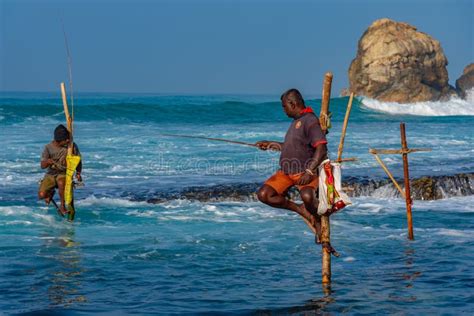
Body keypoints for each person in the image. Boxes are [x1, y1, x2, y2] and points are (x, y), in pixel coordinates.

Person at [256, 89, 328, 243]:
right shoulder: (296, 122)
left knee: (308, 196)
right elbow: (291, 147)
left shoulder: (310, 120)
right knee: (264, 194)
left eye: (284, 106)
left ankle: (317, 221)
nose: (283, 110)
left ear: (292, 104)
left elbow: (322, 148)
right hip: (286, 172)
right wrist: (269, 144)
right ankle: (300, 209)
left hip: (304, 172)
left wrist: (309, 171)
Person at [38, 124, 82, 215]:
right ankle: (50, 193)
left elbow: (78, 160)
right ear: (58, 141)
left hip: (63, 173)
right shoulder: (48, 147)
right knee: (42, 195)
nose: (67, 140)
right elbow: (42, 166)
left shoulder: (71, 146)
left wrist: (78, 173)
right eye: (65, 139)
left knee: (61, 182)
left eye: (68, 138)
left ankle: (62, 206)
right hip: (51, 173)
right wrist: (47, 162)